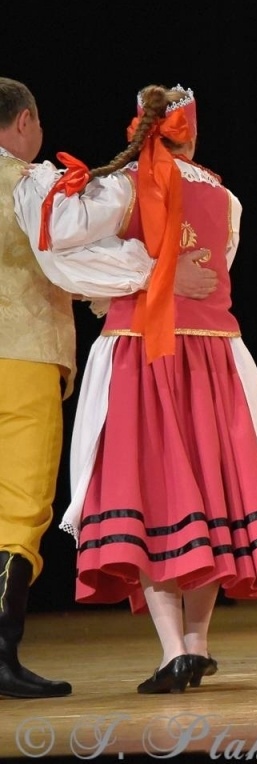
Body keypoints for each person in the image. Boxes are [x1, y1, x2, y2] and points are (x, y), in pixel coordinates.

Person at [23, 84, 257, 693]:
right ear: (192, 134)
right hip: (216, 357)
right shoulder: (226, 196)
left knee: (153, 495)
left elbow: (61, 239)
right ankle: (196, 644)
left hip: (144, 353)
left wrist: (135, 273)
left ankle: (175, 650)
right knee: (209, 495)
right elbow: (217, 263)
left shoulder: (121, 187)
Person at [0, 79, 86, 698]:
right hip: (22, 357)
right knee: (18, 511)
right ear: (25, 120)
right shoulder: (34, 183)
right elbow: (77, 263)